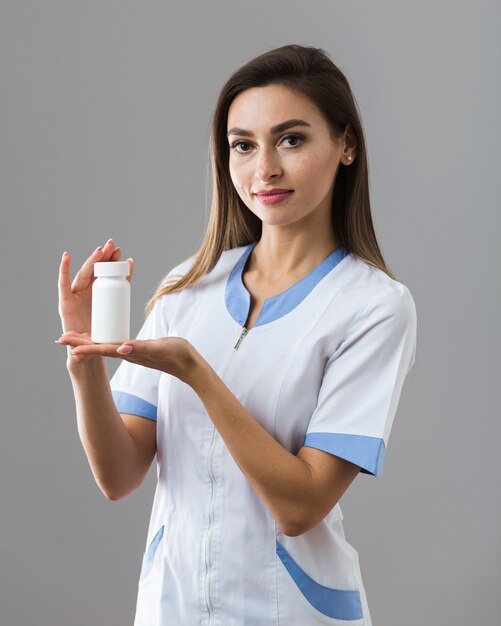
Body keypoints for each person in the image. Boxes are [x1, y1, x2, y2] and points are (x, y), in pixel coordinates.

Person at [57, 44, 417, 626]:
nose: (264, 169)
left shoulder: (374, 308)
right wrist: (85, 364)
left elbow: (300, 506)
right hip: (171, 609)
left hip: (290, 612)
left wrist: (198, 373)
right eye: (243, 144)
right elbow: (119, 476)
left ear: (346, 145)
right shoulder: (187, 288)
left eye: (291, 139)